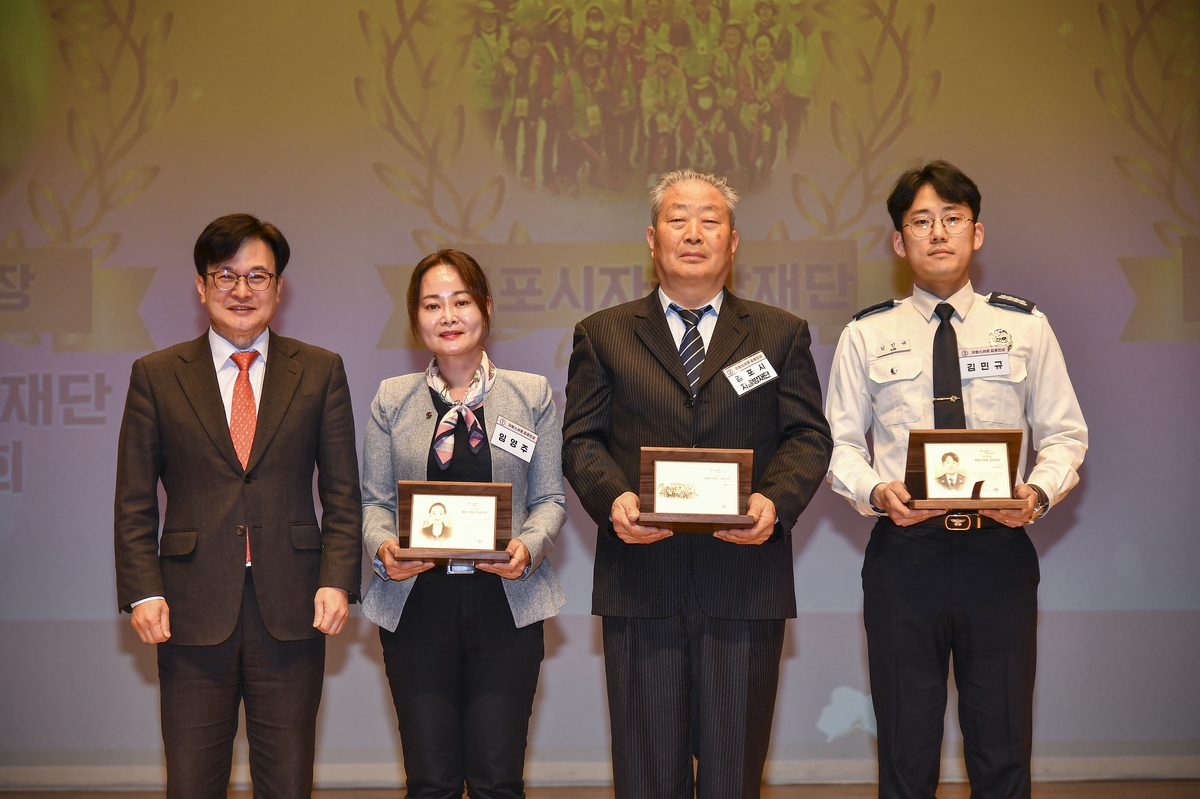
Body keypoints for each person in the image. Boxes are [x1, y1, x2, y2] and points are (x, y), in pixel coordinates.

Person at [562, 170, 833, 798]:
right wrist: (614, 499)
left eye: (709, 220)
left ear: (733, 241)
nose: (693, 232)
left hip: (744, 584)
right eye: (677, 219)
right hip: (642, 580)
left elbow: (808, 437)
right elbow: (580, 439)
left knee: (734, 775)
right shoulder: (603, 333)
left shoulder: (778, 333)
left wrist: (774, 500)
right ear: (651, 239)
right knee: (646, 775)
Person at [824, 161, 1088, 799]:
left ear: (977, 233)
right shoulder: (865, 334)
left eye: (952, 219)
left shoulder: (1025, 326)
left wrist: (1039, 491)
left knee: (1001, 745)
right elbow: (838, 445)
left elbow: (1065, 434)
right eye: (920, 221)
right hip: (904, 555)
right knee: (906, 750)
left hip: (996, 553)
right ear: (899, 241)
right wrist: (875, 492)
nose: (937, 233)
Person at [114, 214, 362, 799]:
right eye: (226, 276)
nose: (242, 291)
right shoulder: (155, 375)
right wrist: (143, 590)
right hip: (190, 607)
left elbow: (342, 493)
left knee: (287, 782)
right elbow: (133, 500)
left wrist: (337, 579)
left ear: (280, 287)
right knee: (194, 782)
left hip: (294, 604)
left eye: (258, 276)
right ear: (201, 286)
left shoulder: (321, 370)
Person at [360, 249, 567, 799]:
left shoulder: (531, 395)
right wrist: (383, 548)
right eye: (432, 304)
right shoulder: (391, 399)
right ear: (415, 319)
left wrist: (528, 545)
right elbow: (374, 503)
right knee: (430, 782)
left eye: (461, 301)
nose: (447, 315)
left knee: (498, 780)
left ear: (486, 309)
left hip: (504, 605)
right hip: (416, 609)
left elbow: (550, 499)